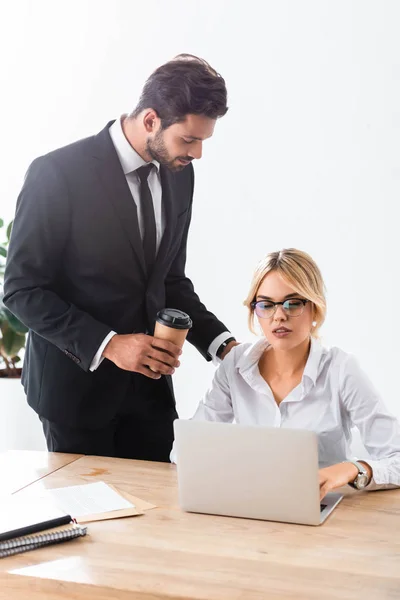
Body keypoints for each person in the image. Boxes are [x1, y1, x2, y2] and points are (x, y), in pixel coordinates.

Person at [3, 54, 238, 461]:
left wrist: (225, 347)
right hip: (75, 398)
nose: (197, 153)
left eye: (203, 140)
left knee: (159, 518)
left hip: (151, 397)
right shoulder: (56, 173)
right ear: (150, 120)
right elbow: (23, 291)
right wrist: (109, 345)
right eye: (188, 139)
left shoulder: (180, 174)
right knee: (93, 523)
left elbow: (169, 280)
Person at [172, 249, 400, 498]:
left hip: (322, 511)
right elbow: (184, 451)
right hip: (249, 504)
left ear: (314, 308)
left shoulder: (341, 370)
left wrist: (353, 470)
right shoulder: (235, 366)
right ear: (254, 312)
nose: (279, 316)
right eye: (266, 305)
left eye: (293, 303)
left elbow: (396, 460)